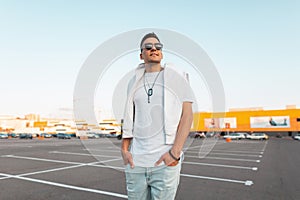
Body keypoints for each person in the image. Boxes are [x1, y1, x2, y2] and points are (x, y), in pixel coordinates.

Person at [121, 32, 195, 200]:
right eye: (148, 47)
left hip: (164, 162)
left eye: (157, 46)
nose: (153, 49)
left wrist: (175, 153)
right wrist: (124, 150)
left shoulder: (177, 77)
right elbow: (128, 118)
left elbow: (187, 116)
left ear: (161, 52)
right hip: (136, 163)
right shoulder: (133, 83)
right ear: (141, 55)